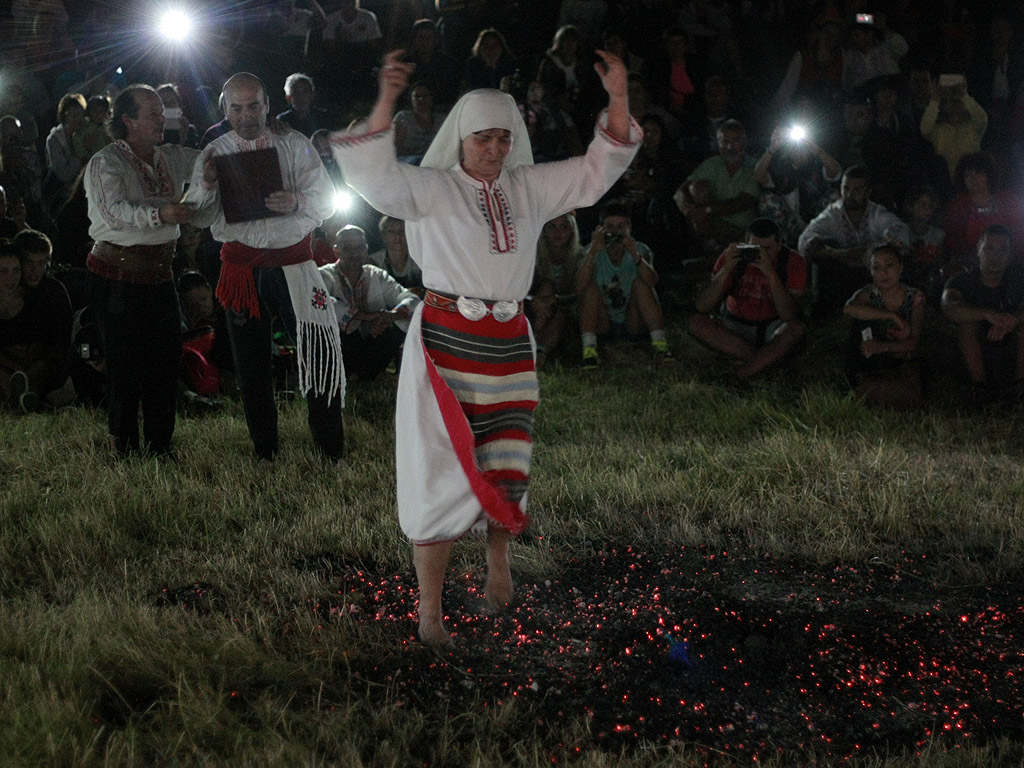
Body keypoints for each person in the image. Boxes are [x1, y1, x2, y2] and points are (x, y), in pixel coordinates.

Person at [330, 49, 641, 647]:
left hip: (507, 344)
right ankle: (429, 612)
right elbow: (371, 174)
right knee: (439, 468)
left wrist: (619, 98)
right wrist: (388, 99)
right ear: (461, 139)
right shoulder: (432, 188)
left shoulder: (528, 188)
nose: (495, 150)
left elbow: (599, 170)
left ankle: (498, 561)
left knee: (505, 457)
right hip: (446, 342)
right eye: (483, 140)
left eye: (504, 138)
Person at [188, 72, 344, 465]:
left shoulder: (293, 142)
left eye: (253, 105)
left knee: (319, 354)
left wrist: (296, 201)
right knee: (251, 367)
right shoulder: (213, 152)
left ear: (268, 104)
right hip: (242, 268)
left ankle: (330, 451)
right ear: (225, 110)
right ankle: (266, 453)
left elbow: (327, 199)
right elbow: (197, 214)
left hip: (295, 263)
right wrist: (207, 183)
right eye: (237, 108)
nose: (246, 115)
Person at [84, 84, 200, 456]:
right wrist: (161, 213)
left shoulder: (170, 156)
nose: (161, 118)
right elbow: (112, 211)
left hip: (160, 276)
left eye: (161, 111)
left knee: (165, 363)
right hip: (117, 276)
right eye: (152, 113)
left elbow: (211, 160)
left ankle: (160, 446)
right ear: (128, 121)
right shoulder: (107, 162)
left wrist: (257, 136)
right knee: (124, 365)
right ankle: (124, 445)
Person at [689, 217, 806, 381]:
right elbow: (702, 306)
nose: (759, 255)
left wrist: (770, 273)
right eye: (754, 249)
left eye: (767, 249)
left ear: (779, 245)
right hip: (735, 325)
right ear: (745, 244)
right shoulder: (732, 257)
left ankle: (739, 375)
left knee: (795, 329)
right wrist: (726, 268)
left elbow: (790, 315)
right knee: (697, 322)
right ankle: (764, 363)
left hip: (773, 326)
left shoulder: (793, 262)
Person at [797, 165, 910, 316]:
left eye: (857, 189)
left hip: (869, 276)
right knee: (820, 248)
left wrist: (872, 250)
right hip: (840, 275)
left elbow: (901, 233)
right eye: (846, 188)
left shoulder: (876, 213)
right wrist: (829, 251)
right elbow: (805, 239)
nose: (850, 194)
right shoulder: (833, 213)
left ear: (868, 192)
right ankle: (826, 310)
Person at [576, 200, 669, 368]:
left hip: (632, 321)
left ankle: (660, 346)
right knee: (590, 289)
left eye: (621, 226)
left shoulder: (640, 250)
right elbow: (579, 286)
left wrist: (635, 255)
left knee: (641, 284)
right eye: (610, 226)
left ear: (629, 228)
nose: (615, 231)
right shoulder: (591, 251)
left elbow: (652, 281)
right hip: (602, 323)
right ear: (601, 228)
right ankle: (589, 351)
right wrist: (592, 253)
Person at [320, 225, 419, 381]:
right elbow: (322, 304)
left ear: (366, 250)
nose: (354, 253)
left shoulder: (375, 274)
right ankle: (360, 372)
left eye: (359, 247)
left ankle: (359, 374)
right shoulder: (325, 274)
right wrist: (367, 317)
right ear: (336, 250)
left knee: (399, 323)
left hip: (373, 338)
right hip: (344, 343)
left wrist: (390, 316)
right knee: (333, 327)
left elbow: (408, 297)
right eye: (348, 248)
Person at [941, 224, 1024, 405]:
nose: (996, 255)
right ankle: (980, 389)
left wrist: (1014, 321)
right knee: (967, 324)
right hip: (975, 353)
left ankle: (1019, 389)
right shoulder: (961, 281)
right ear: (978, 249)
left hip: (1012, 351)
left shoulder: (1019, 278)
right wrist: (989, 315)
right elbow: (949, 306)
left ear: (1010, 253)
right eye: (990, 248)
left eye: (1003, 249)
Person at [843, 244, 925, 409]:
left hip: (900, 358)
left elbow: (914, 342)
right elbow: (849, 308)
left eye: (889, 266)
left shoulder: (915, 297)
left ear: (900, 267)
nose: (883, 273)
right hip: (871, 360)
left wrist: (883, 347)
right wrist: (891, 316)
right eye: (876, 268)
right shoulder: (868, 294)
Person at [674, 119, 760, 259]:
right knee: (696, 188)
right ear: (718, 143)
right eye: (725, 142)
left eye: (735, 141)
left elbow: (745, 201)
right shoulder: (712, 163)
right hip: (710, 225)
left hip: (743, 228)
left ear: (744, 142)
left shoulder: (753, 166)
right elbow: (681, 191)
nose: (730, 147)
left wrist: (707, 210)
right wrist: (690, 211)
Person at [529, 213, 584, 365]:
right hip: (540, 308)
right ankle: (536, 351)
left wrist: (556, 300)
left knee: (559, 312)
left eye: (564, 227)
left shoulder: (580, 256)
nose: (557, 233)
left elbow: (581, 293)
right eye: (552, 227)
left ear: (572, 231)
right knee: (545, 289)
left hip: (569, 311)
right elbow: (525, 290)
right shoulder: (534, 256)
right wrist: (536, 301)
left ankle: (539, 351)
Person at [368, 216, 423, 293]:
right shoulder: (374, 262)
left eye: (401, 231)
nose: (397, 236)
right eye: (392, 232)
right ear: (383, 235)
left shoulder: (420, 259)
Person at [277, 73, 334, 138]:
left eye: (305, 92)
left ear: (312, 94)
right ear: (288, 98)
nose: (301, 97)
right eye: (296, 93)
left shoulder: (325, 117)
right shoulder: (283, 121)